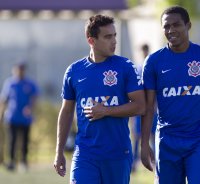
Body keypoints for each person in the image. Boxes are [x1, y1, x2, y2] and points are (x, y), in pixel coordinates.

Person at [140, 6, 200, 184]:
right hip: (166, 141)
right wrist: (145, 145)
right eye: (166, 26)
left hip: (199, 140)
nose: (171, 30)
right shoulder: (153, 62)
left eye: (176, 25)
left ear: (188, 25)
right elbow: (149, 107)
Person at [53, 14, 145, 184]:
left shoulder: (125, 67)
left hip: (118, 153)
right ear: (91, 40)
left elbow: (140, 106)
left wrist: (106, 111)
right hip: (85, 153)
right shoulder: (74, 71)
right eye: (108, 37)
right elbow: (66, 112)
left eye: (115, 35)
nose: (114, 41)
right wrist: (59, 151)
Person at [0, 62, 38, 171]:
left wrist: (30, 108)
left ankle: (23, 162)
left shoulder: (29, 83)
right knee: (12, 140)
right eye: (18, 69)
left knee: (25, 141)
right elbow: (4, 100)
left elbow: (34, 97)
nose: (19, 72)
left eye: (21, 70)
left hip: (25, 118)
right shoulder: (10, 83)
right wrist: (1, 113)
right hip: (12, 116)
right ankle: (11, 162)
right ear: (14, 70)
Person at [131, 44, 157, 172]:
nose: (144, 53)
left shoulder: (153, 67)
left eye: (146, 50)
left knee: (153, 136)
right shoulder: (138, 69)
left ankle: (156, 162)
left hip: (152, 110)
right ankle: (134, 163)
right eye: (143, 51)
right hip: (139, 111)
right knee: (137, 137)